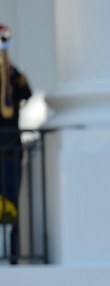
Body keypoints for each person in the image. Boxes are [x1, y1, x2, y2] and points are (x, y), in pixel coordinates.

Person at [0, 23, 32, 264]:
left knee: (12, 201)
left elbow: (27, 92)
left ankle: (12, 253)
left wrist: (8, 69)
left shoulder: (14, 76)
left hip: (12, 151)